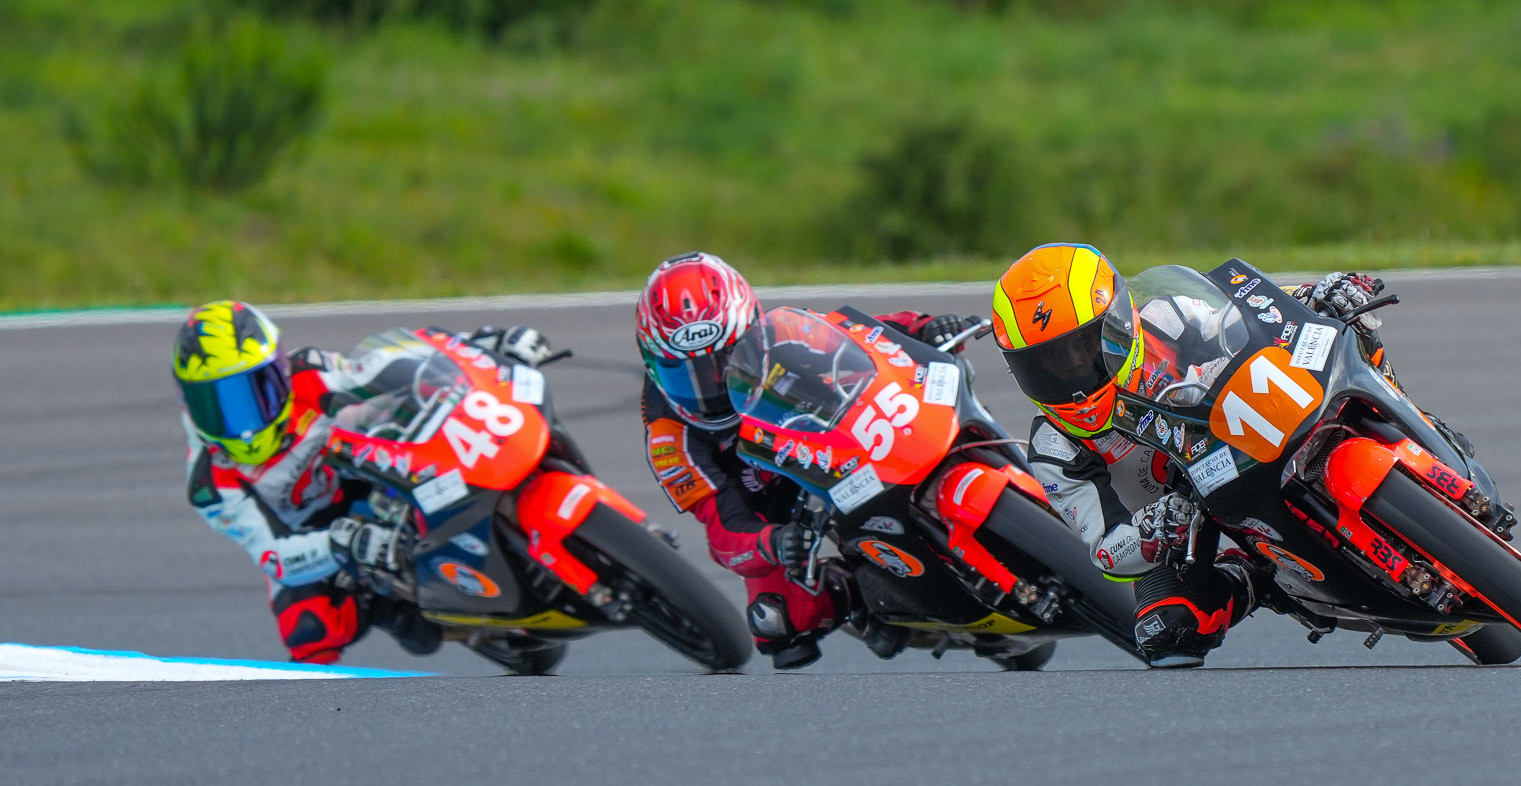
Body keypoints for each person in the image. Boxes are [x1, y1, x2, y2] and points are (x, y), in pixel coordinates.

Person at [989, 243, 1387, 667]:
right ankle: (1260, 579)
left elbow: (1251, 312)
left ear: (1120, 318)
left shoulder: (1166, 317)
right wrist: (1153, 530)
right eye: (1047, 365)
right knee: (1167, 631)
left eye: (1086, 345)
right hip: (1183, 519)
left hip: (1243, 426)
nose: (1072, 372)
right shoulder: (1054, 448)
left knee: (1350, 324)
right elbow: (1106, 550)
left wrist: (1313, 294)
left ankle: (1408, 419)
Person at [636, 251, 975, 669]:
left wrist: (923, 327)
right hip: (777, 506)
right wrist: (772, 543)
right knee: (779, 623)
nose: (712, 384)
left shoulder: (782, 332)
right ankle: (864, 598)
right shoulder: (670, 437)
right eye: (685, 373)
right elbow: (721, 527)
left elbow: (859, 333)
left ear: (750, 328)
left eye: (724, 362)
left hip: (835, 439)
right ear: (653, 366)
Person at [174, 300, 554, 664]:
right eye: (215, 405)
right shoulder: (209, 483)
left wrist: (483, 343)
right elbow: (274, 556)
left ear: (280, 371)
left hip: (362, 479)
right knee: (311, 632)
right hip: (309, 537)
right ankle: (389, 606)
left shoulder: (311, 375)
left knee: (419, 412)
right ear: (189, 402)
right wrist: (343, 543)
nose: (240, 424)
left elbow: (391, 363)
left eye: (252, 393)